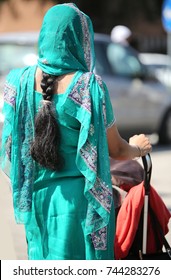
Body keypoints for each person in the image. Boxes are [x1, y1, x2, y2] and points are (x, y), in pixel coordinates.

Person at [0, 3, 152, 260]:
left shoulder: (19, 81)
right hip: (81, 206)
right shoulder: (89, 86)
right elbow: (115, 148)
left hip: (39, 203)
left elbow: (11, 146)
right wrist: (138, 148)